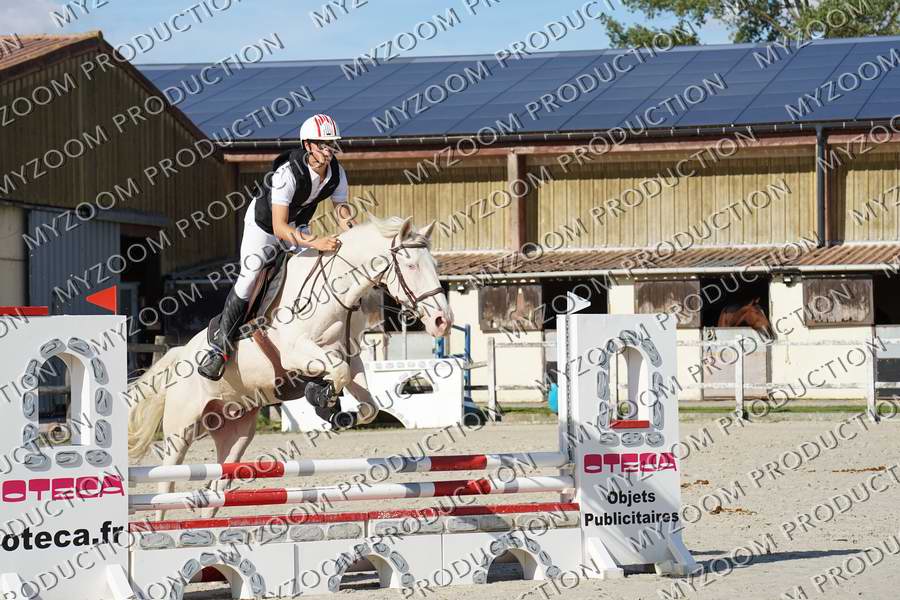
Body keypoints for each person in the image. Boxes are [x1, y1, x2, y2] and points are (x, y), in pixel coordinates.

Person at [198, 113, 356, 381]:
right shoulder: (287, 174)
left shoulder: (337, 174)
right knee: (250, 276)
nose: (329, 150)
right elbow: (280, 228)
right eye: (323, 144)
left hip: (296, 224)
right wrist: (316, 241)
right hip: (265, 226)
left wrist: (356, 236)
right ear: (308, 145)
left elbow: (343, 213)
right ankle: (219, 349)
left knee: (314, 269)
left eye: (331, 144)